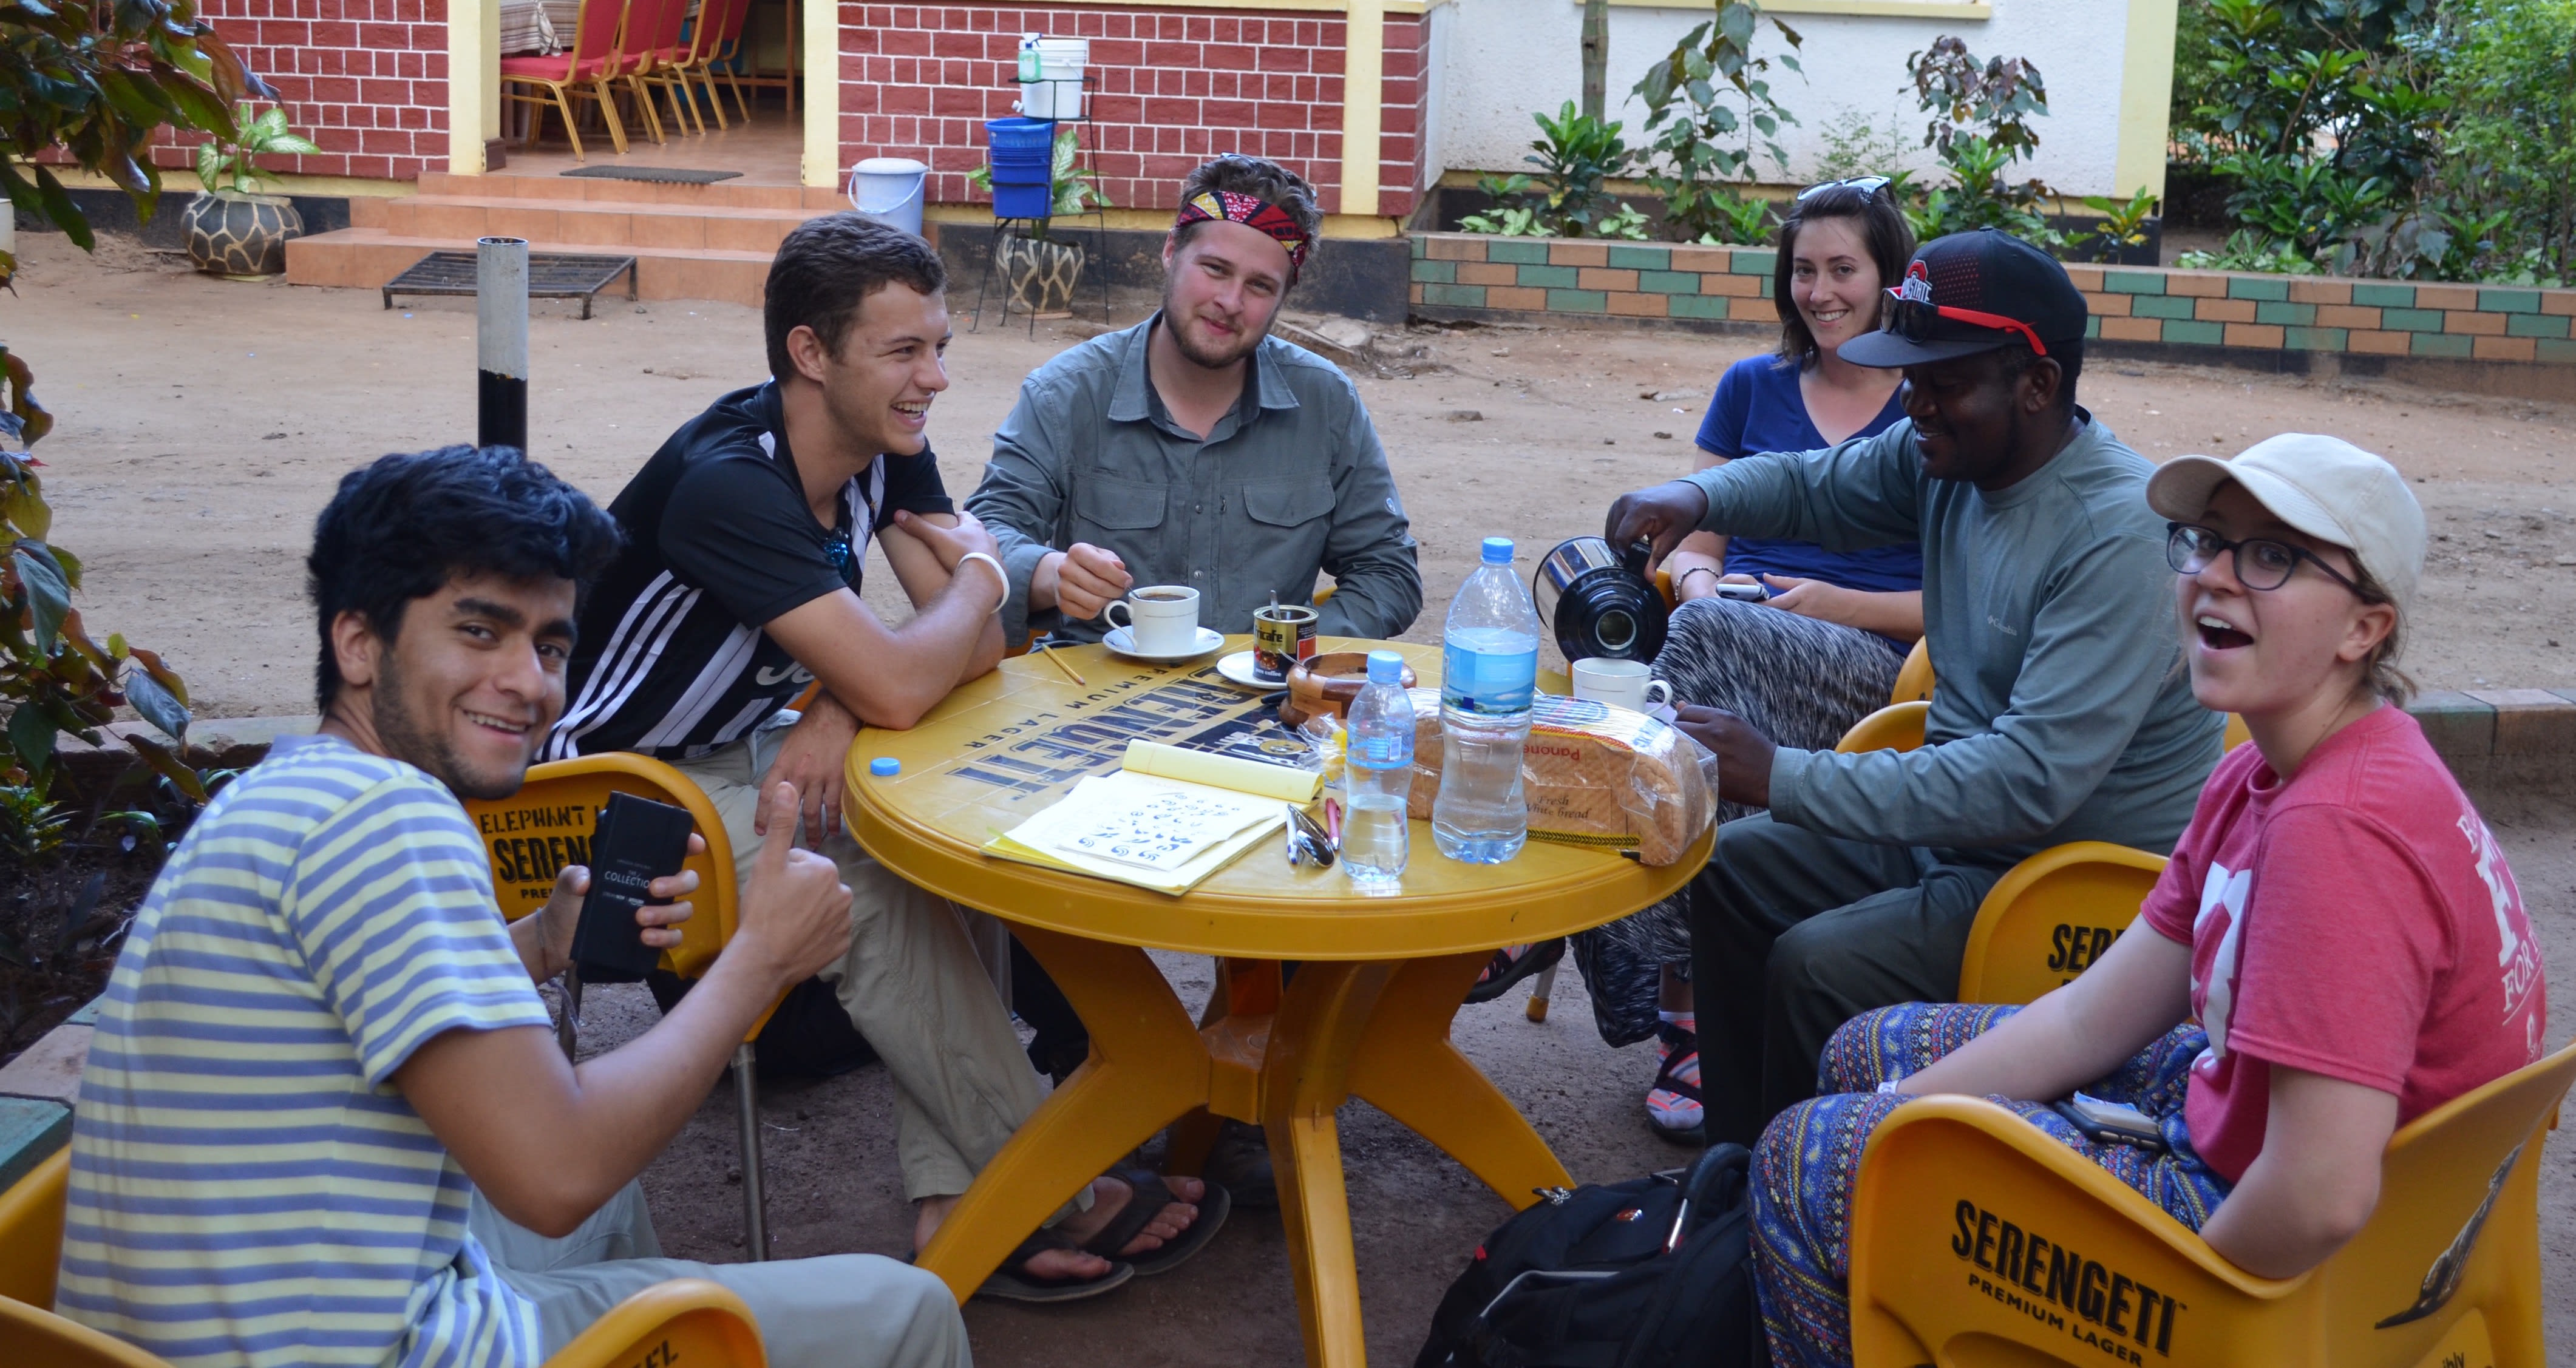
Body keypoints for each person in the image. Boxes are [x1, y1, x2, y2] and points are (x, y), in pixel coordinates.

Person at [56, 445, 972, 1368]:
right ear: (359, 643)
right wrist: (760, 958)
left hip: (207, 1329)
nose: (530, 682)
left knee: (610, 1204)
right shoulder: (392, 819)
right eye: (480, 631)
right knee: (908, 1307)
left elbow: (335, 1011)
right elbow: (555, 1171)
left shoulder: (282, 796)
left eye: (550, 645)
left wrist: (537, 941)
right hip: (362, 1346)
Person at [1747, 433, 2545, 1368]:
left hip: (2283, 1261)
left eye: (2272, 556)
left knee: (1799, 1162)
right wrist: (1896, 1117)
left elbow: (2320, 1192)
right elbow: (2095, 1012)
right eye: (2206, 541)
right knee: (1864, 1057)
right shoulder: (2266, 769)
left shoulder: (2338, 831)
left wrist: (2173, 1308)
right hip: (2265, 1144)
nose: (2213, 575)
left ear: (2362, 628)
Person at [542, 214, 1215, 1300]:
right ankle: (1043, 1177)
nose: (935, 379)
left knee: (950, 816)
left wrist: (840, 701)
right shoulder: (731, 481)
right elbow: (943, 635)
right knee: (860, 867)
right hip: (609, 793)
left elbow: (962, 659)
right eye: (905, 352)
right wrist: (976, 590)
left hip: (739, 748)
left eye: (939, 346)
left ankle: (960, 1194)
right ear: (811, 353)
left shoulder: (880, 441)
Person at [1606, 229, 2223, 1151]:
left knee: (1816, 962)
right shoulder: (1953, 459)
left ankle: (1811, 1193)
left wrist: (1781, 773)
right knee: (1729, 869)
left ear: (2037, 384)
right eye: (1910, 378)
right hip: (1958, 840)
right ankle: (1742, 1167)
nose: (1915, 404)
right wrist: (1697, 500)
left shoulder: (2114, 534)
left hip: (2060, 883)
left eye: (1942, 382)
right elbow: (1813, 487)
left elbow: (2026, 782)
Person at [1569, 177, 1926, 1145]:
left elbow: (1958, 605)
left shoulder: (1930, 406)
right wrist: (1692, 584)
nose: (1819, 291)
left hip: (1881, 669)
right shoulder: (1752, 387)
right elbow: (1698, 537)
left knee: (1695, 662)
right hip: (1730, 632)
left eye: (1841, 268)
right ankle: (1680, 1010)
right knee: (1616, 636)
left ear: (1889, 277)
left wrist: (1822, 602)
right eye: (1802, 270)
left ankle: (1613, 944)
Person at [965, 152, 1421, 651]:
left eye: (1259, 285)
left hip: (1267, 697)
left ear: (1283, 297)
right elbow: (986, 537)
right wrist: (1050, 573)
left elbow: (1387, 571)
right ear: (1170, 252)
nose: (1230, 301)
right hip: (1094, 700)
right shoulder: (1065, 393)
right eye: (1215, 268)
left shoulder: (1325, 401)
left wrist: (1288, 650)